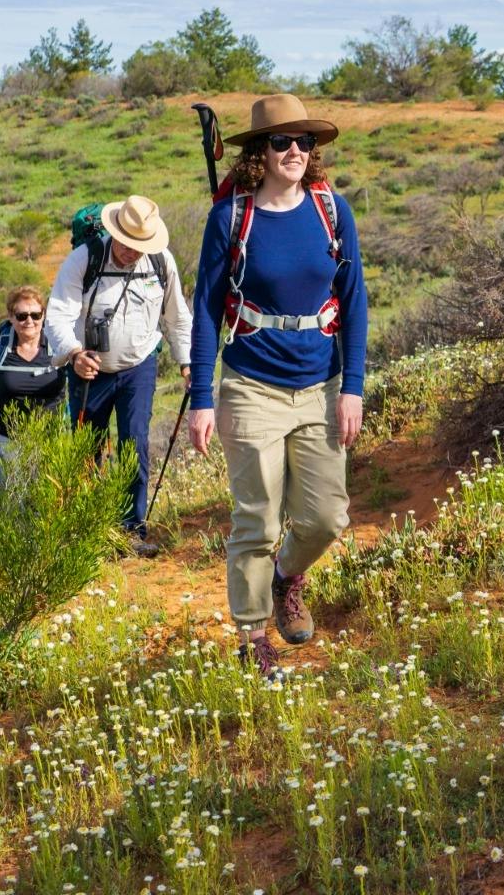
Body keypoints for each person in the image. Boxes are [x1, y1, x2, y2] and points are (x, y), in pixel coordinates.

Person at [186, 94, 368, 678]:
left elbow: (355, 300)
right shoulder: (231, 218)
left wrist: (353, 387)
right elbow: (205, 310)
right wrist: (202, 400)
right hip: (250, 387)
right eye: (281, 142)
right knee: (256, 519)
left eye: (304, 142)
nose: (295, 151)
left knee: (325, 518)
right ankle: (252, 638)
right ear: (257, 153)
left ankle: (288, 577)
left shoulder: (332, 211)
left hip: (321, 386)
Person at [44, 194, 192, 557]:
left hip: (138, 365)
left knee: (134, 444)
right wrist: (74, 354)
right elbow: (58, 316)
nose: (132, 251)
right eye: (128, 243)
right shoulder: (85, 258)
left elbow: (177, 317)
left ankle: (132, 530)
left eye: (140, 244)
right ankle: (85, 531)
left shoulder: (161, 261)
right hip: (88, 369)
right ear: (115, 232)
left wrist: (188, 363)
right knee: (85, 450)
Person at [0, 285, 67, 470]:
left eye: (35, 315)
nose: (29, 321)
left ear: (44, 315)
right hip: (1, 435)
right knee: (11, 478)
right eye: (22, 316)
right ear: (11, 317)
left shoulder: (59, 348)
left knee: (42, 495)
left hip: (48, 437)